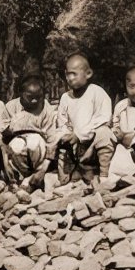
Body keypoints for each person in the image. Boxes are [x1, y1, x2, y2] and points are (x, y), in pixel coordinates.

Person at [55, 53, 115, 184]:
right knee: (57, 140)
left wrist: (80, 134)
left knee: (105, 132)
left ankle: (104, 175)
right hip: (74, 146)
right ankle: (75, 170)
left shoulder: (97, 92)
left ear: (88, 73)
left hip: (92, 145)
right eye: (67, 74)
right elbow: (62, 122)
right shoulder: (65, 98)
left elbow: (103, 118)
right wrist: (66, 135)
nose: (70, 78)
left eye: (74, 74)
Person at [2, 74, 60, 189]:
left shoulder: (47, 110)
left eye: (38, 97)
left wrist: (43, 169)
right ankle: (19, 178)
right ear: (20, 93)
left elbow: (52, 142)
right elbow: (2, 138)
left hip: (39, 153)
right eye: (29, 97)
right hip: (16, 154)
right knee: (17, 145)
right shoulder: (10, 107)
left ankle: (36, 177)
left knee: (34, 141)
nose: (34, 100)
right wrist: (5, 164)